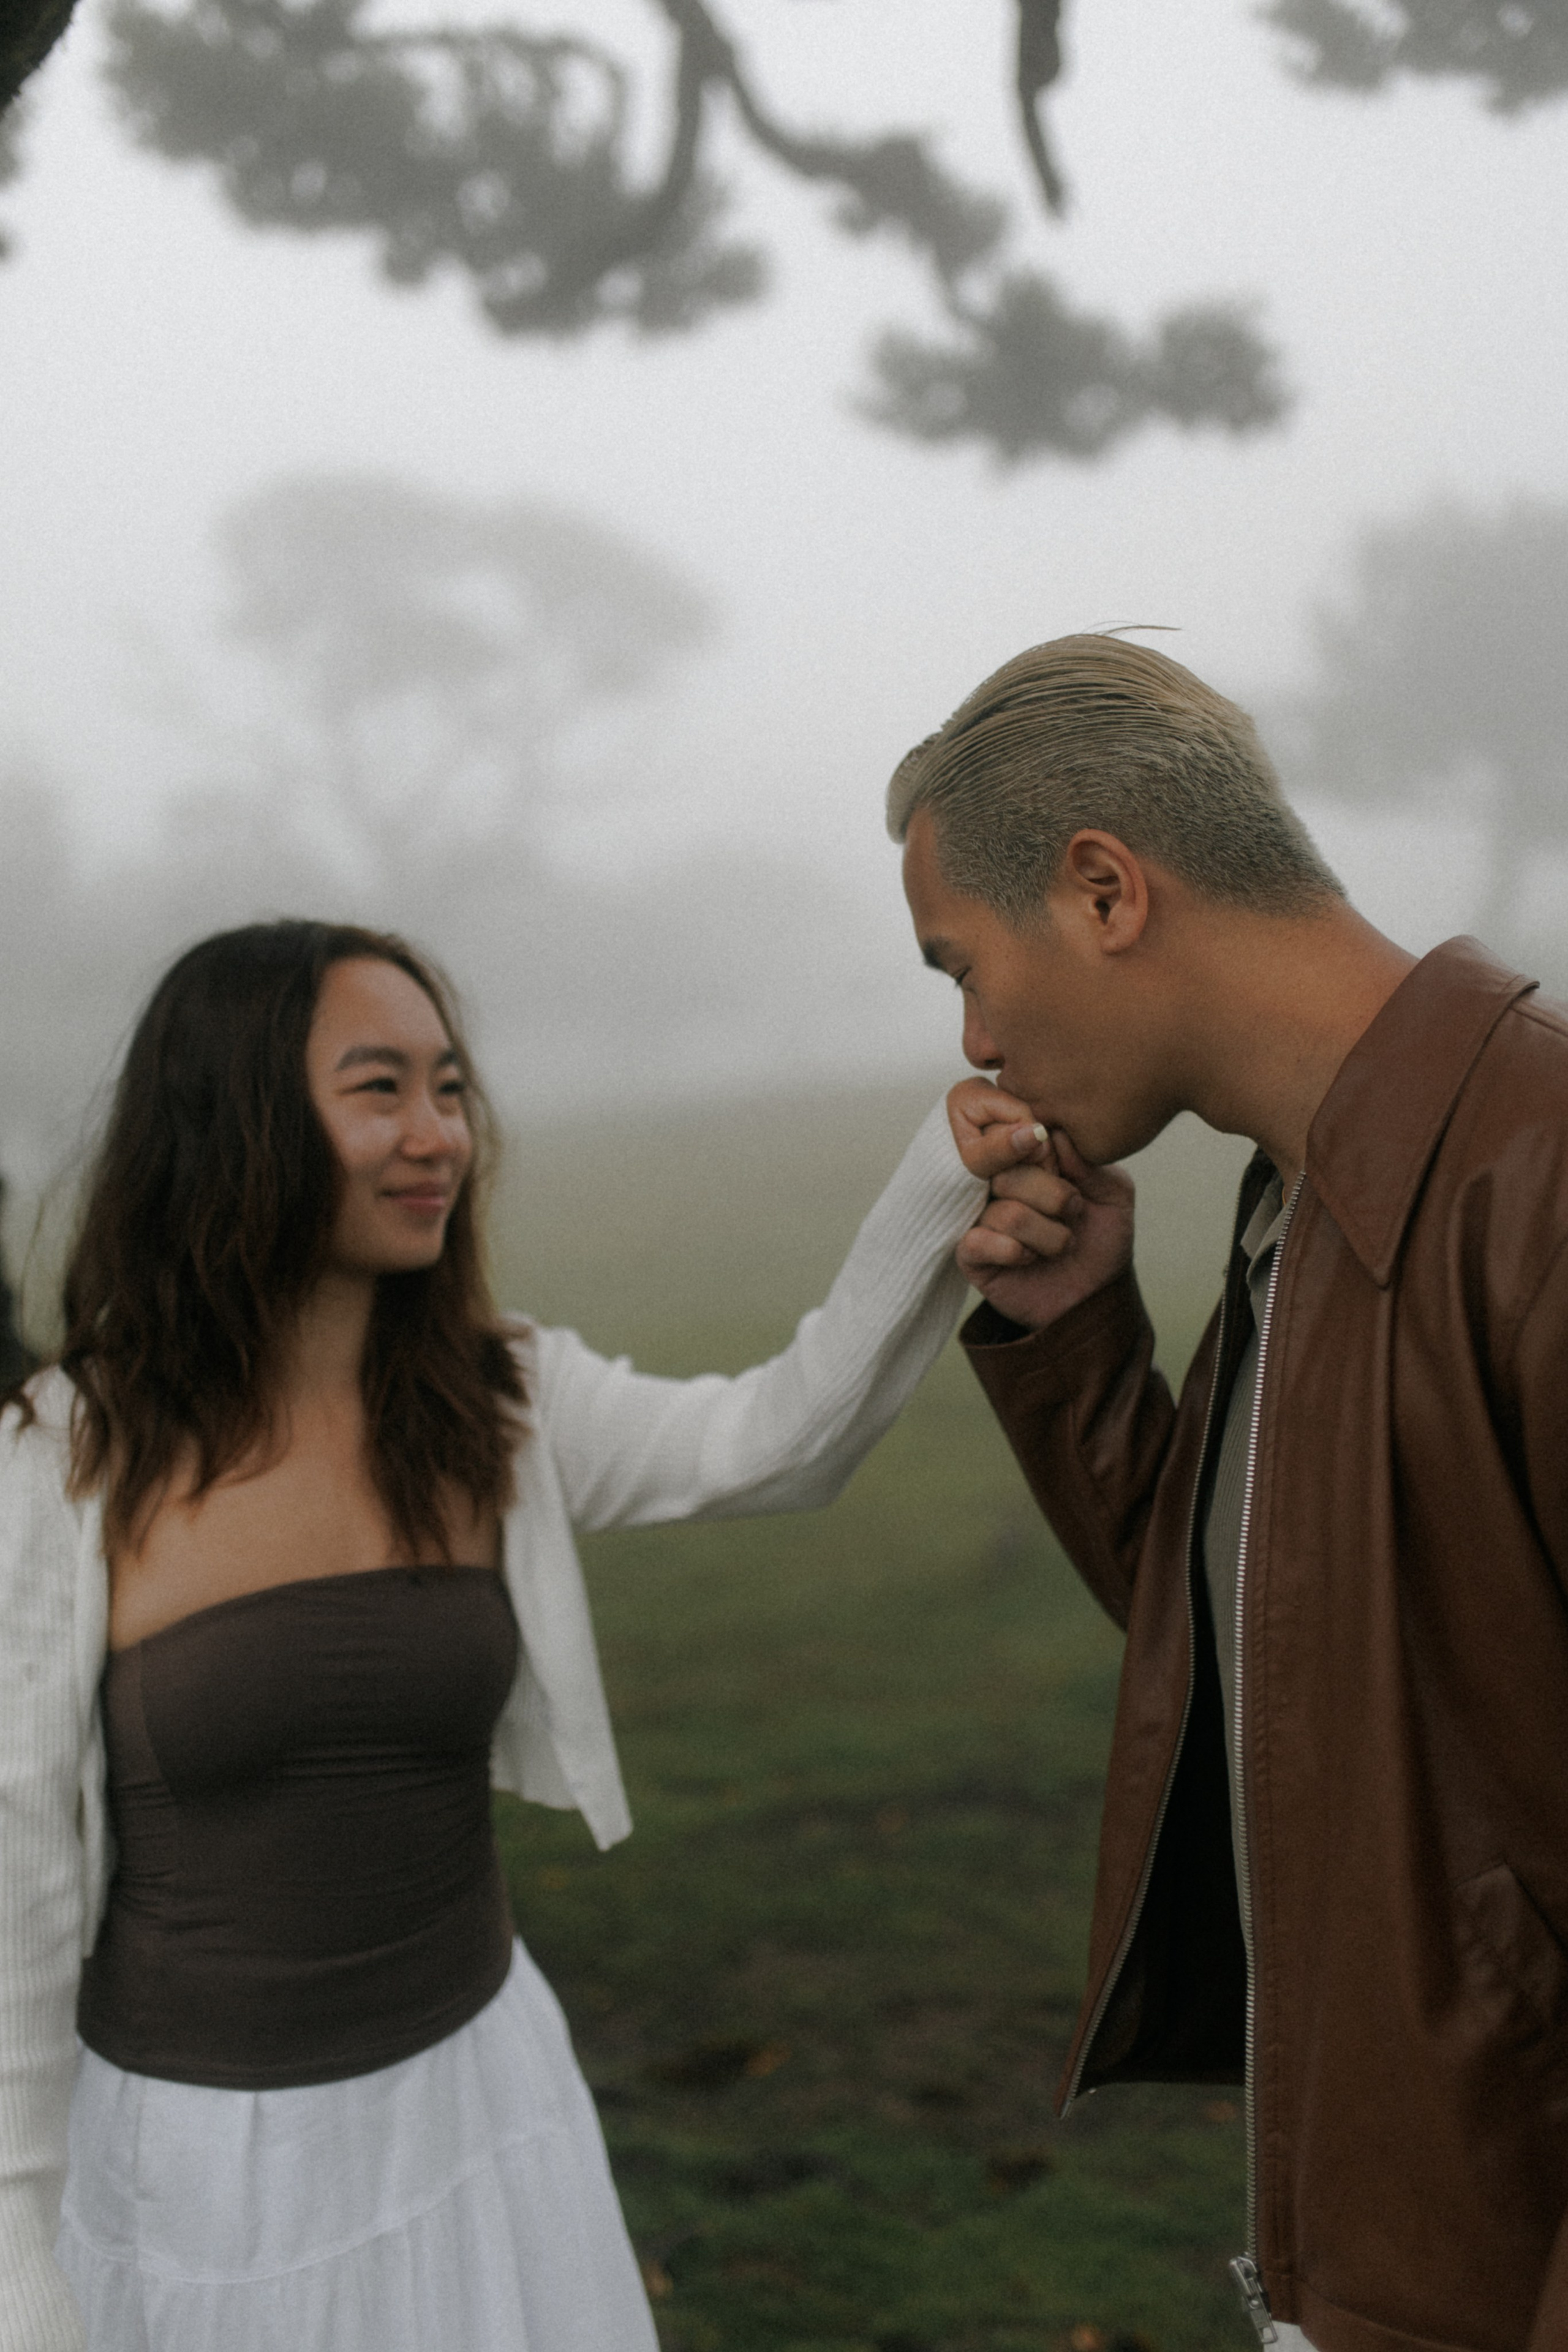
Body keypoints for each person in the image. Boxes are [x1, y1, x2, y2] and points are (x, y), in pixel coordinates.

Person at [0, 918, 1005, 2352]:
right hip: (211, 2187)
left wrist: (940, 1185)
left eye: (451, 1086)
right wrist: (17, 2258)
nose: (437, 1136)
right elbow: (14, 1883)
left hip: (482, 2109)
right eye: (379, 1088)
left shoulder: (496, 1401)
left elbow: (775, 1442)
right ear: (237, 1120)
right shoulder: (62, 1462)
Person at [892, 634, 1568, 2352]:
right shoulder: (1311, 1191)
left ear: (1105, 890)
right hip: (1369, 2258)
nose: (972, 1043)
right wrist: (1073, 1348)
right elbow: (1290, 1648)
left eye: (961, 965)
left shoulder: (1538, 1177)